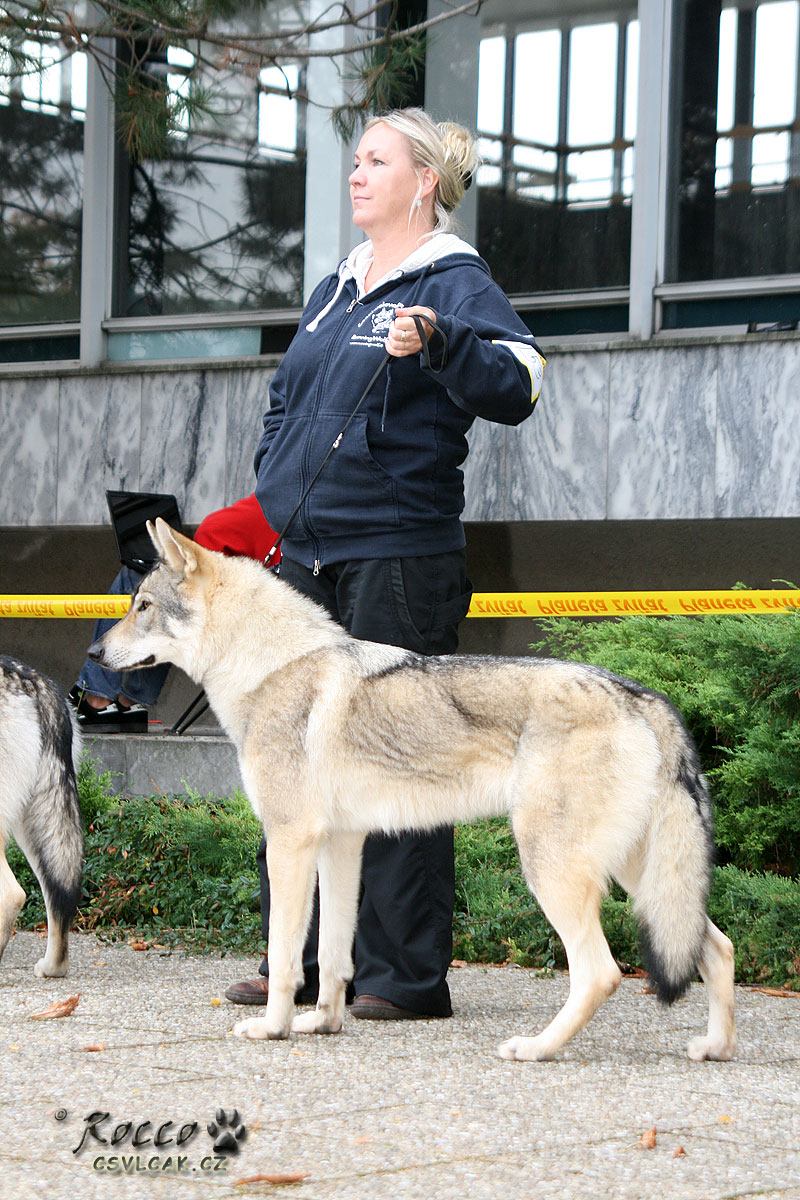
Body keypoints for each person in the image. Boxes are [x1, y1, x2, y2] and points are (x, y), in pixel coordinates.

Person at [225, 107, 546, 1021]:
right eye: (355, 159)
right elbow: (285, 399)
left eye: (377, 160)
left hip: (398, 556)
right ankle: (294, 965)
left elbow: (520, 382)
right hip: (308, 559)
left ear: (424, 183)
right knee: (294, 762)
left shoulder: (453, 279)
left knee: (399, 765)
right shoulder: (336, 286)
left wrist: (442, 342)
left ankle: (402, 977)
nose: (357, 174)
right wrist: (276, 481)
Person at [69, 494, 278, 731]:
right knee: (165, 595)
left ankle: (98, 699)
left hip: (248, 618)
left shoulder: (266, 505)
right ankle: (130, 702)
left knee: (140, 578)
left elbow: (212, 534)